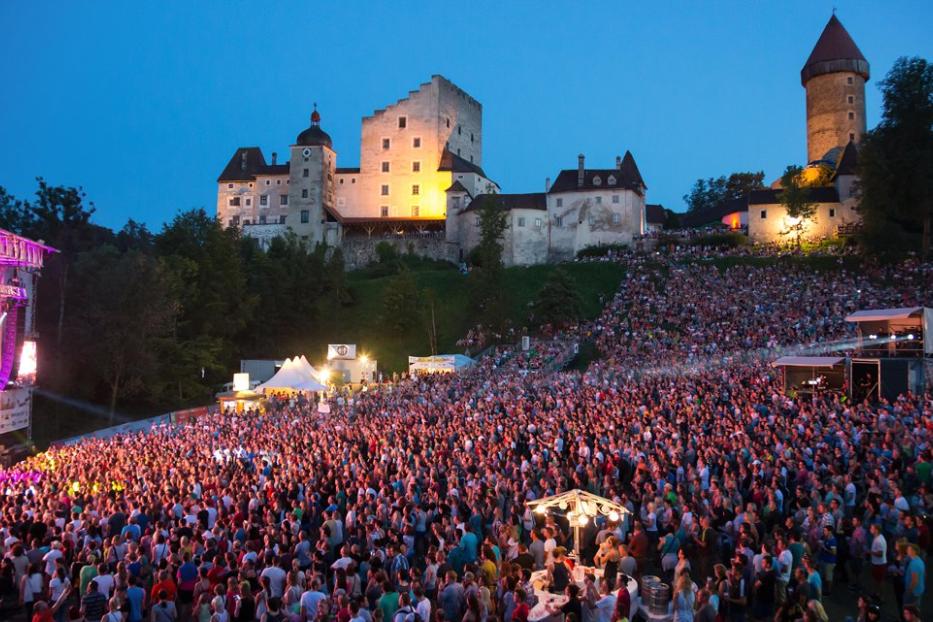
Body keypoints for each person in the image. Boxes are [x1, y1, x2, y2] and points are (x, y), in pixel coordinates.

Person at [903, 543, 925, 612]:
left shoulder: (914, 564)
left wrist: (908, 591)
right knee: (915, 608)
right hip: (919, 590)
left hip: (913, 592)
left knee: (909, 608)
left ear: (913, 551)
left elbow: (914, 581)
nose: (907, 551)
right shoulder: (919, 560)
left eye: (908, 549)